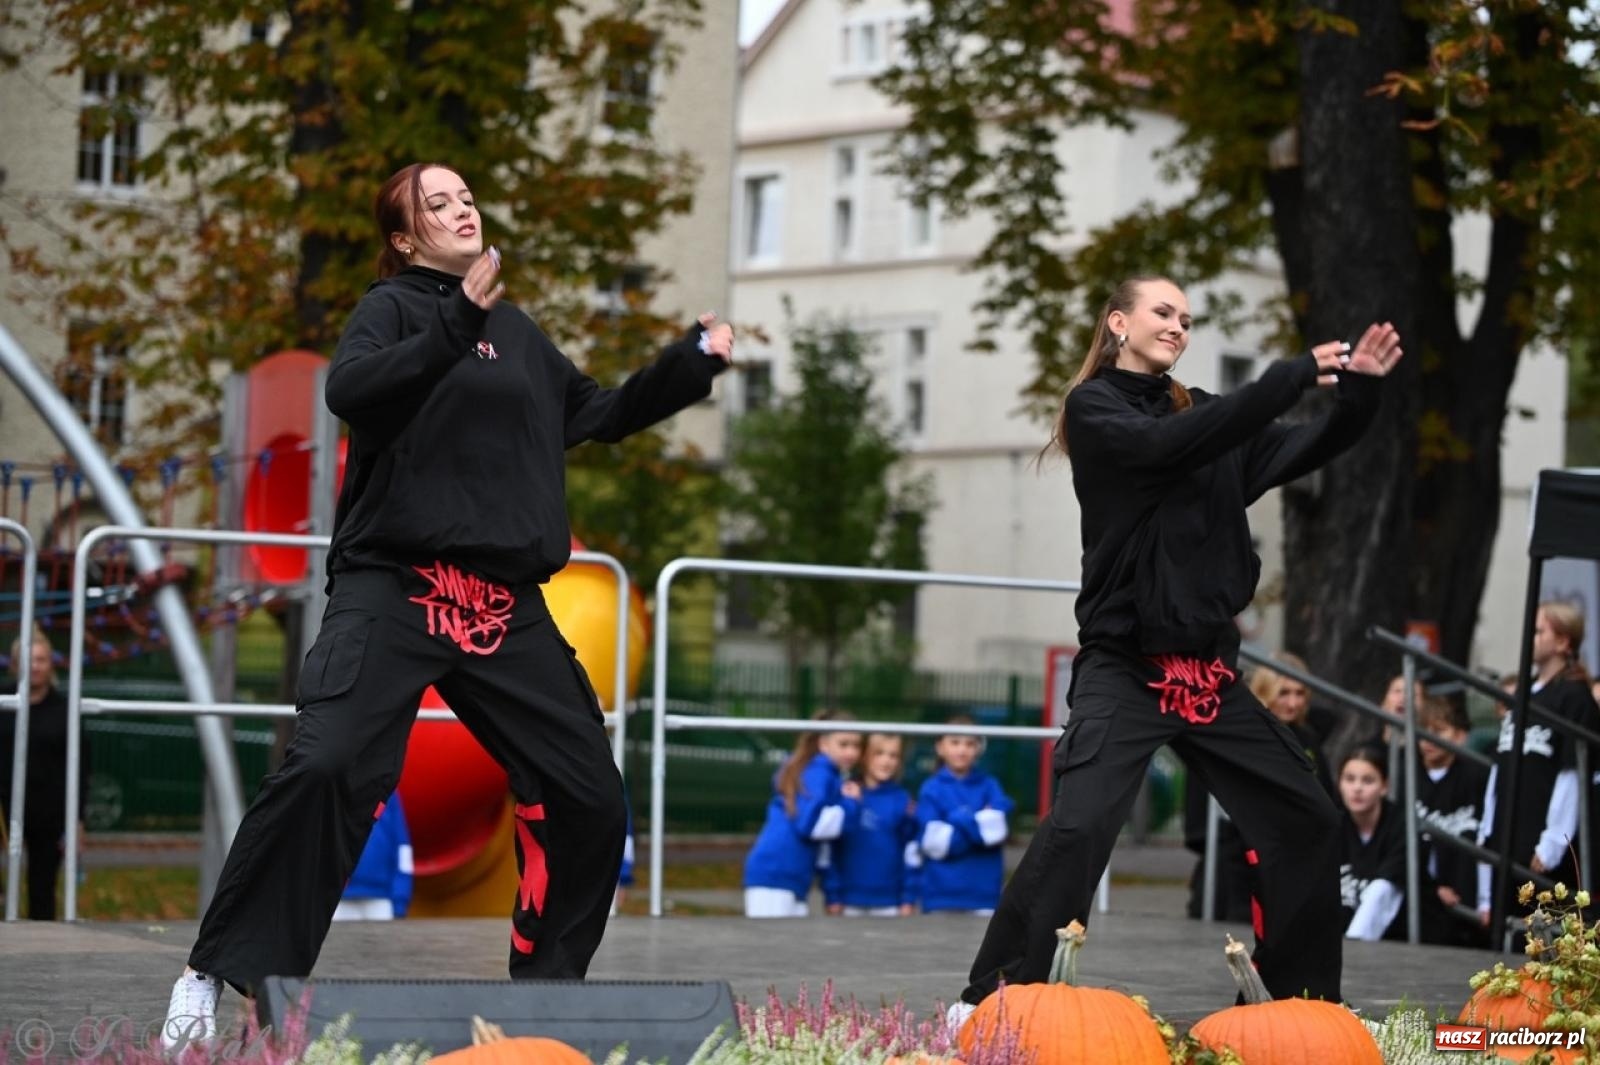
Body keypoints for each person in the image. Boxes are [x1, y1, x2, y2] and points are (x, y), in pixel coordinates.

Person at [163, 161, 733, 1048]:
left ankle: (544, 995)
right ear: (404, 238)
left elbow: (603, 412)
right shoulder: (389, 310)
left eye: (466, 196)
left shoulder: (520, 332)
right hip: (395, 582)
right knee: (328, 765)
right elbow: (350, 391)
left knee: (589, 795)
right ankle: (217, 970)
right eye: (438, 203)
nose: (461, 208)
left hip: (501, 601)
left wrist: (690, 363)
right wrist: (454, 322)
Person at [948, 275, 1403, 1026]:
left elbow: (1300, 446)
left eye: (1188, 318)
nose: (1179, 325)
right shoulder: (1096, 410)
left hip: (1208, 674)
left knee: (1308, 817)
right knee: (1081, 824)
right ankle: (992, 997)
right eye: (1164, 312)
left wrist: (1356, 395)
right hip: (1127, 666)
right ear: (1119, 321)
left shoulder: (1208, 420)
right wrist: (1288, 376)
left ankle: (1296, 1002)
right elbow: (1165, 445)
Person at [1476, 601, 1600, 931]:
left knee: (1541, 937)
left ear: (1563, 642)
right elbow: (1499, 769)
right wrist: (1487, 830)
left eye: (1539, 631)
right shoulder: (1525, 695)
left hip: (1540, 841)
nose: (1530, 638)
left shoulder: (1573, 697)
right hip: (1507, 830)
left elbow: (1572, 772)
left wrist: (1554, 840)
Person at [0, 627, 88, 921]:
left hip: (48, 813)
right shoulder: (3, 703)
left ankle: (41, 950)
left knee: (42, 889)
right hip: (3, 807)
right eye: (27, 660)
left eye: (40, 659)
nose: (34, 666)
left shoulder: (64, 710)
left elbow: (80, 767)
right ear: (14, 664)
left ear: (50, 664)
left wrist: (77, 821)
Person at [743, 710, 862, 917]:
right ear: (823, 744)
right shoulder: (818, 772)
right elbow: (811, 824)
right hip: (776, 875)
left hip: (789, 878)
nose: (851, 752)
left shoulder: (824, 773)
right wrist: (851, 805)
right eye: (843, 744)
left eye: (856, 745)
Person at [1410, 696, 1489, 947]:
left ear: (1459, 735)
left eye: (1439, 731)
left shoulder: (1476, 773)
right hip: (1421, 893)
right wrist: (1432, 888)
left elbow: (1486, 837)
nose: (1429, 740)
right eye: (1424, 731)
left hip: (1465, 895)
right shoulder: (1407, 771)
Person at [916, 716, 1014, 915]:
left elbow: (995, 833)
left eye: (969, 743)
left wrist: (957, 819)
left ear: (978, 748)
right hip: (939, 895)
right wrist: (977, 823)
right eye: (954, 742)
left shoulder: (990, 785)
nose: (962, 750)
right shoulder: (930, 789)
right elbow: (935, 843)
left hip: (984, 894)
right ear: (940, 747)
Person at [1338, 746, 1432, 941]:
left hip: (1399, 937)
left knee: (1381, 888)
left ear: (1384, 786)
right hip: (1341, 933)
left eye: (1368, 780)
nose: (1357, 788)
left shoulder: (1403, 825)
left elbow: (1385, 890)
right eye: (1349, 779)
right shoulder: (1333, 824)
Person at [824, 732, 920, 916]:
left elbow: (911, 852)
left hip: (890, 902)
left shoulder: (902, 800)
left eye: (893, 755)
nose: (886, 761)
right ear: (864, 756)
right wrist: (832, 895)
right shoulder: (846, 794)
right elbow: (831, 850)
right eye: (879, 753)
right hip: (847, 901)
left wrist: (908, 897)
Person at [332, 791, 412, 921]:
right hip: (338, 900)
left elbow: (402, 849)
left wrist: (400, 901)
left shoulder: (389, 793)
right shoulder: (335, 789)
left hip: (381, 900)